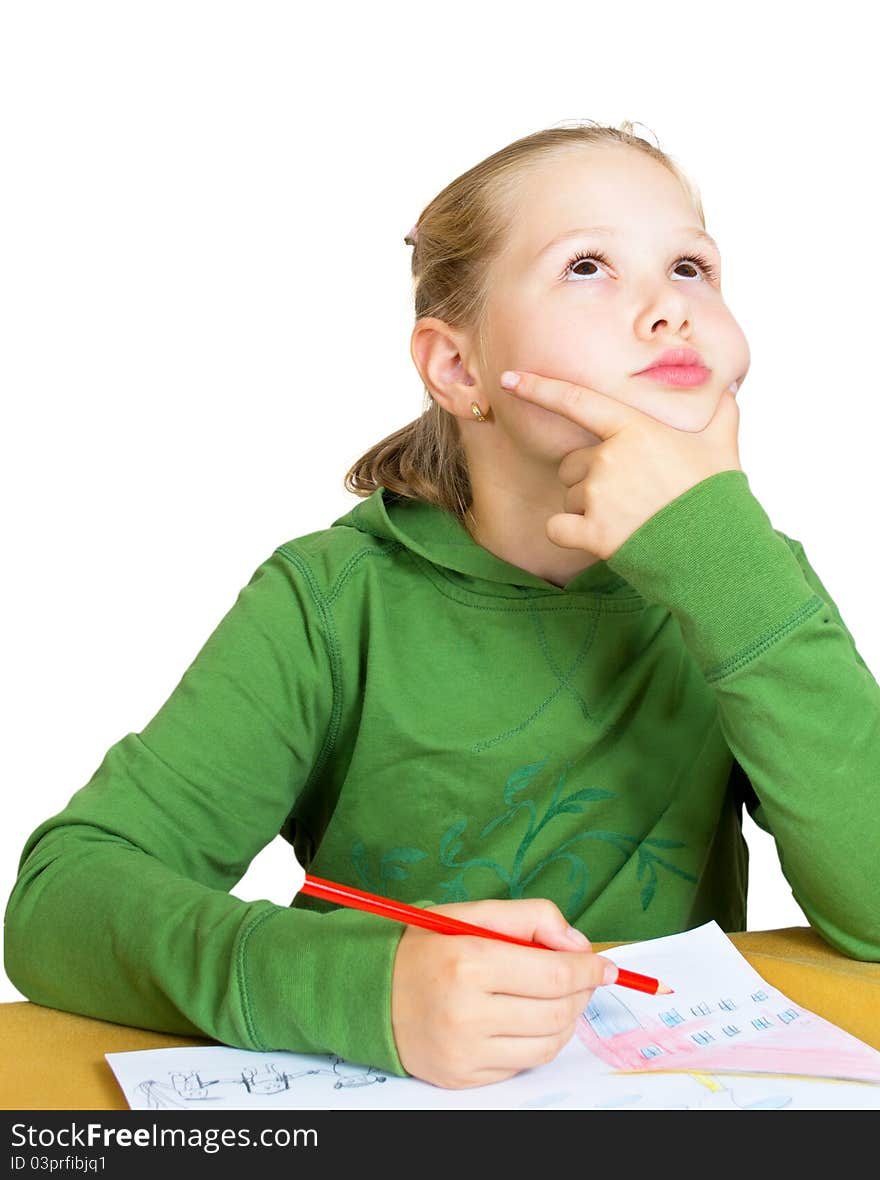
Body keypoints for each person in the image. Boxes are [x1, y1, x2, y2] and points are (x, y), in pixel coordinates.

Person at [5, 120, 880, 1092]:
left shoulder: (741, 578)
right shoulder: (333, 604)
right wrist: (359, 987)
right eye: (588, 266)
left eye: (689, 266)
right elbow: (59, 903)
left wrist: (728, 566)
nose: (667, 310)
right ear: (457, 369)